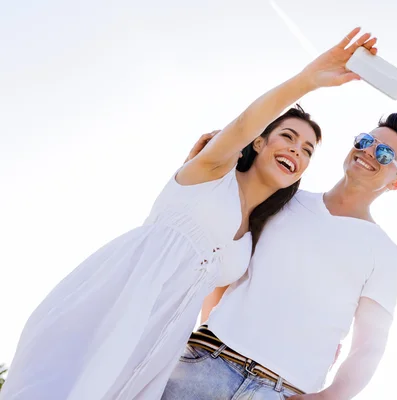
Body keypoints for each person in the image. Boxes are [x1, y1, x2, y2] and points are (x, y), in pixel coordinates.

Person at [0, 27, 376, 400]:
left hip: (161, 346)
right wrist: (308, 80)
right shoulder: (211, 171)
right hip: (115, 306)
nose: (297, 151)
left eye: (308, 150)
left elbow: (222, 305)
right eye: (288, 137)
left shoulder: (253, 232)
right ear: (259, 142)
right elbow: (245, 122)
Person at [162, 113, 397, 400]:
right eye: (366, 141)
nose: (368, 151)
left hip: (282, 392)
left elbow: (370, 345)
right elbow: (229, 264)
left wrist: (330, 397)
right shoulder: (284, 197)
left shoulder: (386, 255)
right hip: (205, 363)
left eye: (384, 153)